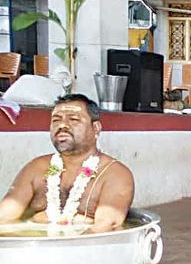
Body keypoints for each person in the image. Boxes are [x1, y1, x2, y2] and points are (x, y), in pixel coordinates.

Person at [0, 93, 134, 233]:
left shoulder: (115, 174)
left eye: (74, 119)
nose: (62, 125)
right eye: (56, 120)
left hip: (87, 251)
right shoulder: (35, 168)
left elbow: (105, 227)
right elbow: (5, 216)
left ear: (96, 128)